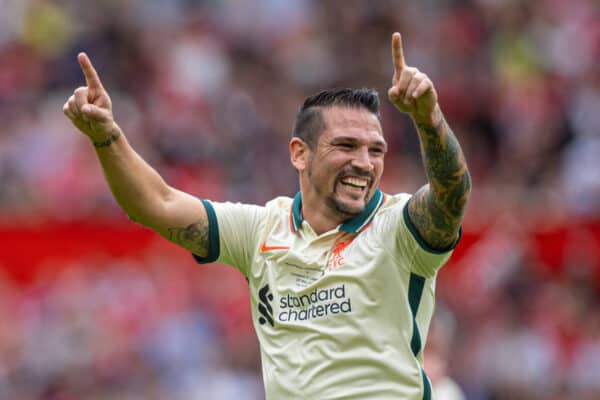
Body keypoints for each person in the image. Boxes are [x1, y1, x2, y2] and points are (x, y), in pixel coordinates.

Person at [63, 32, 471, 400]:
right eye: (346, 146)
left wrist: (428, 119)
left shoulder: (397, 227)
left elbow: (451, 195)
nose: (364, 163)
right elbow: (157, 204)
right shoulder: (262, 229)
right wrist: (107, 137)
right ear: (299, 153)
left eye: (375, 150)